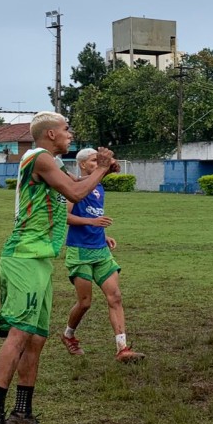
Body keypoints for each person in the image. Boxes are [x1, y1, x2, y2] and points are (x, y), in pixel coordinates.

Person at [0, 112, 117, 424]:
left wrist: (103, 170)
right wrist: (100, 169)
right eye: (67, 129)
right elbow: (76, 192)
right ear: (51, 134)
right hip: (24, 256)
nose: (71, 134)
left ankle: (22, 413)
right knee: (19, 334)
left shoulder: (51, 162)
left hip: (39, 259)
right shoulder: (39, 158)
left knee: (36, 338)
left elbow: (77, 186)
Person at [59, 148, 145, 363]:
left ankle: (122, 348)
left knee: (115, 296)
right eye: (93, 161)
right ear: (82, 165)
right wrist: (92, 223)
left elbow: (94, 213)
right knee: (85, 303)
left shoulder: (98, 186)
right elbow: (64, 217)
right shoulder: (74, 188)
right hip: (79, 251)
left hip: (100, 250)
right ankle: (68, 335)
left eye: (99, 161)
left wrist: (104, 235)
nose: (97, 164)